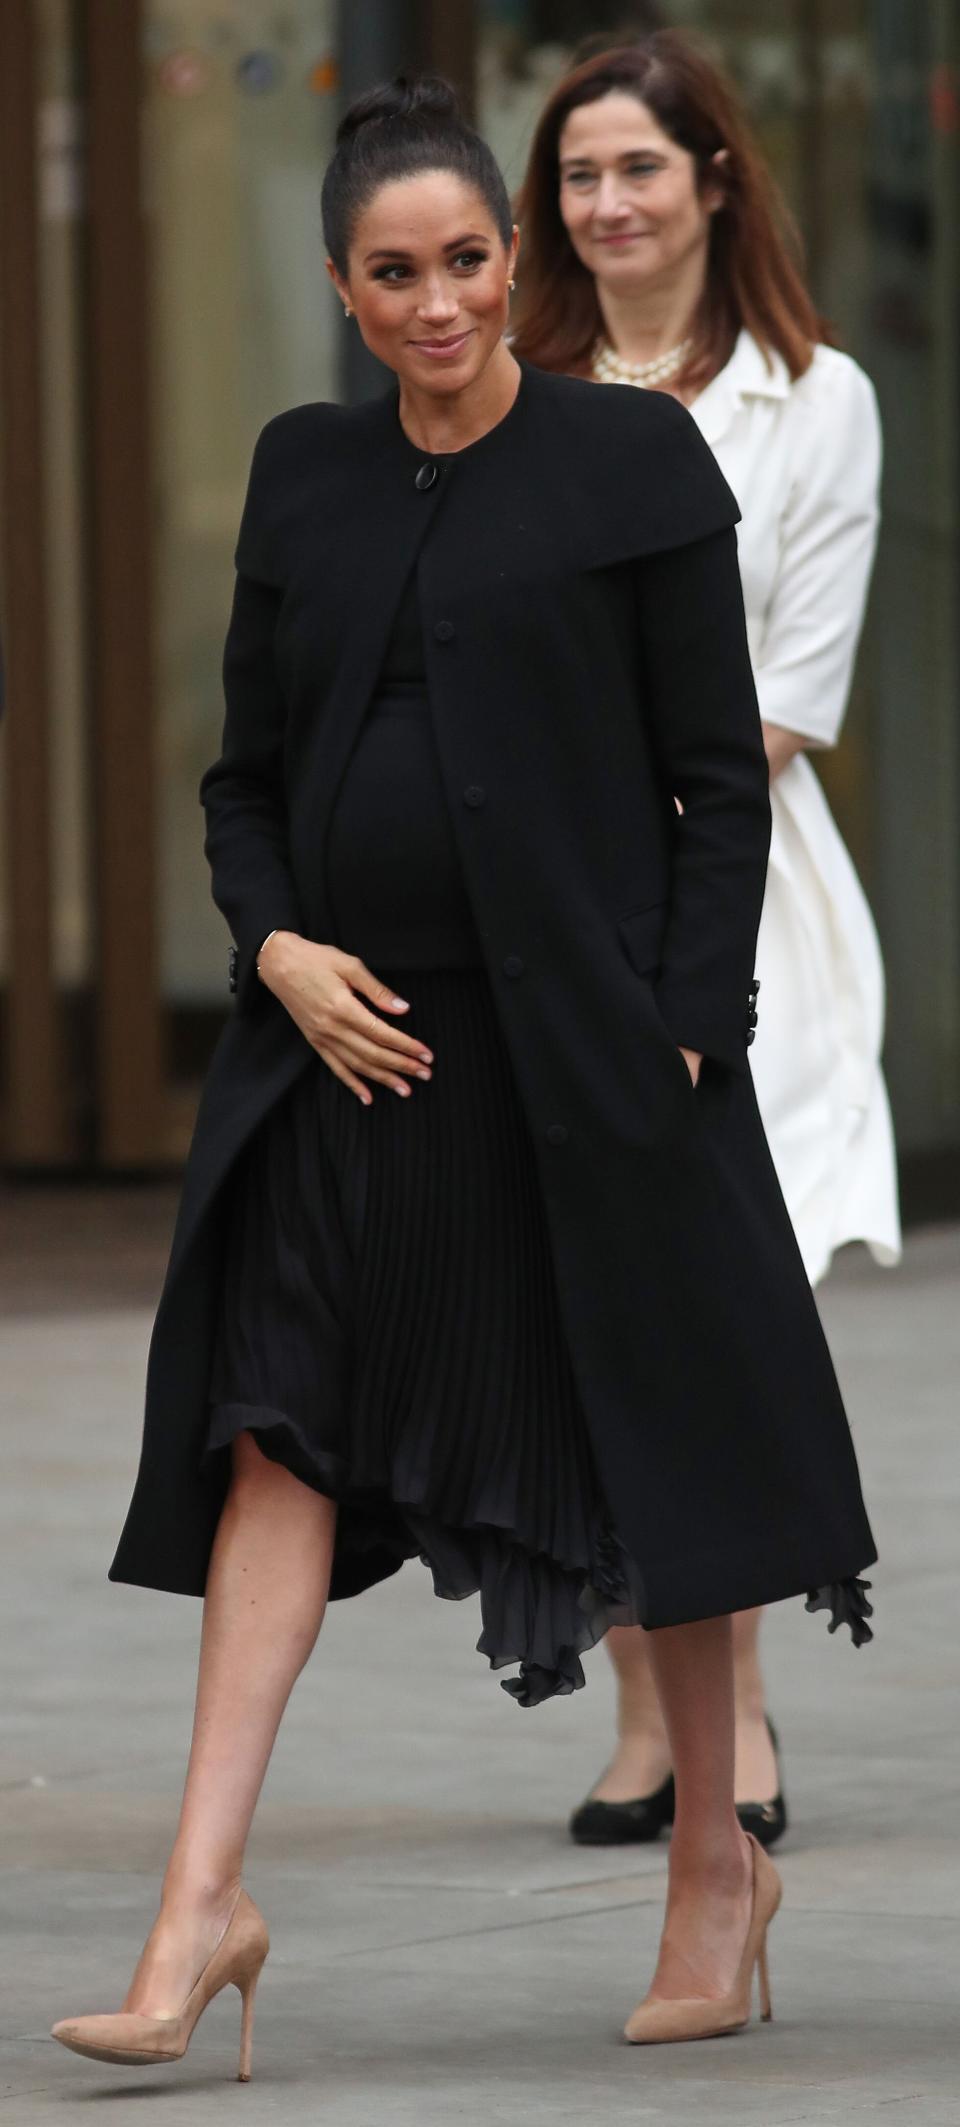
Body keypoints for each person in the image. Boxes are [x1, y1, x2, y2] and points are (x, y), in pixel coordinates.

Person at [52, 76, 876, 2075]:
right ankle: (196, 1908)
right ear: (344, 287)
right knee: (274, 1435)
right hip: (341, 1054)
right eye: (395, 274)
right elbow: (242, 778)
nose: (440, 304)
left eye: (468, 263)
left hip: (591, 1052)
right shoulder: (305, 475)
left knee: (649, 1438)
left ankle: (712, 1860)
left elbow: (714, 777)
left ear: (514, 263)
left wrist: (692, 1020)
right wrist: (271, 945)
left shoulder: (633, 460)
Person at [511, 31, 900, 1854]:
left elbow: (778, 707)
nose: (607, 205)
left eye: (639, 170)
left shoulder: (816, 399)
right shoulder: (504, 380)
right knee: (581, 1319)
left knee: (722, 1324)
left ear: (715, 178)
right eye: (578, 175)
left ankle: (728, 1707)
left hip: (737, 902)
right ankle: (638, 1721)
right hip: (536, 913)